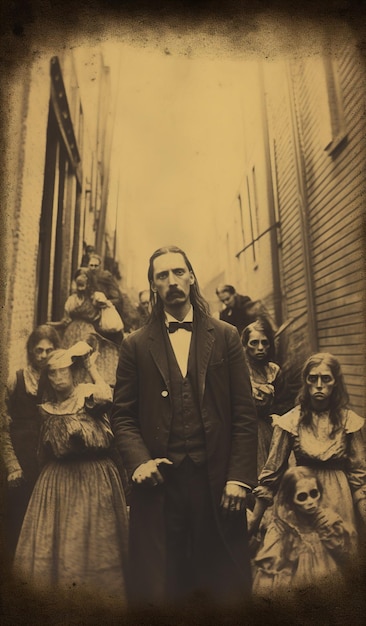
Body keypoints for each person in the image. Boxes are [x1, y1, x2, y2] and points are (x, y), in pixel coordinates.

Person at [110, 245, 258, 608]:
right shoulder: (135, 345)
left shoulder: (225, 336)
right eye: (163, 275)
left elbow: (243, 412)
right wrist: (139, 461)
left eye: (179, 272)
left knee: (223, 582)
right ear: (153, 286)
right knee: (163, 583)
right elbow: (123, 414)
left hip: (218, 482)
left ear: (191, 277)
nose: (172, 281)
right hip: (161, 483)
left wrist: (239, 478)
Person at [13, 341, 129, 600]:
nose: (57, 377)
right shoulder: (46, 408)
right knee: (58, 541)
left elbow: (108, 397)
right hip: (57, 480)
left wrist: (91, 367)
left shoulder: (87, 393)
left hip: (95, 478)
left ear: (72, 370)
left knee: (95, 541)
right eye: (51, 372)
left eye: (62, 370)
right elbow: (42, 451)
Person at [249, 352, 366, 557]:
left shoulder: (349, 422)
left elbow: (359, 475)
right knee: (304, 560)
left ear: (335, 382)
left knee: (340, 559)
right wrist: (254, 520)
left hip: (339, 497)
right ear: (306, 381)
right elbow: (271, 474)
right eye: (313, 378)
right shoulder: (291, 421)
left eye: (326, 378)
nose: (319, 385)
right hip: (301, 495)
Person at [0, 325, 61, 557]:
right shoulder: (16, 380)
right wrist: (12, 466)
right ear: (30, 351)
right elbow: (3, 428)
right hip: (19, 468)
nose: (44, 355)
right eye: (39, 350)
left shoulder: (59, 383)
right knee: (15, 523)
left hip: (47, 467)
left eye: (49, 350)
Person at [252, 466, 354, 596]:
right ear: (290, 500)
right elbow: (270, 573)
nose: (310, 502)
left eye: (313, 494)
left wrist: (327, 532)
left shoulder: (329, 521)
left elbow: (346, 558)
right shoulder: (282, 528)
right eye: (302, 497)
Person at [241, 317, 288, 475]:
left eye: (265, 343)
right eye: (254, 343)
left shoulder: (274, 371)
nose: (260, 348)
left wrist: (276, 415)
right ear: (245, 345)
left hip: (269, 429)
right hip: (244, 429)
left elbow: (284, 401)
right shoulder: (238, 371)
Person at [87, 254, 138, 334]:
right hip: (89, 313)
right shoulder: (85, 276)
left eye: (96, 266)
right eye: (91, 265)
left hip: (103, 314)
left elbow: (117, 298)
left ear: (100, 266)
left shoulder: (105, 277)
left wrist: (106, 302)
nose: (93, 268)